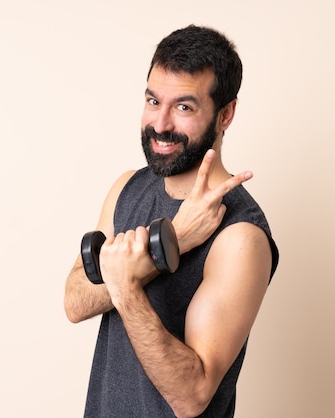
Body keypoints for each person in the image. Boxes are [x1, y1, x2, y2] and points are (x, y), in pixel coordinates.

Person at [64, 25, 279, 418]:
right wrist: (173, 240)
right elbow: (75, 302)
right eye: (153, 101)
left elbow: (192, 396)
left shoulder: (240, 237)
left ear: (225, 114)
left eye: (184, 107)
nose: (160, 124)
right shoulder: (126, 188)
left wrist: (126, 285)